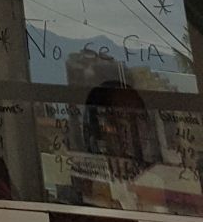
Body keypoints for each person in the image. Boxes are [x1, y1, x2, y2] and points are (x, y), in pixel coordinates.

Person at [83, 81, 203, 214]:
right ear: (102, 127)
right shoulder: (92, 178)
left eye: (140, 117)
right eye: (121, 117)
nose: (134, 127)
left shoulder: (158, 177)